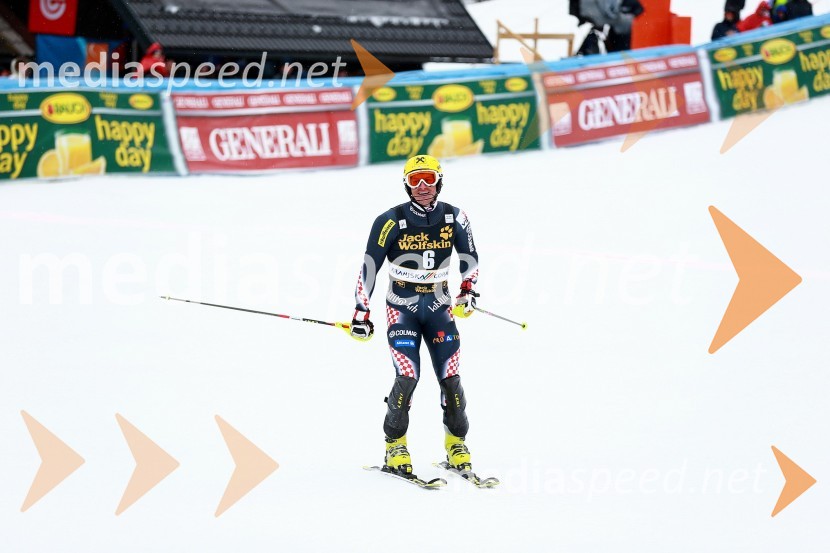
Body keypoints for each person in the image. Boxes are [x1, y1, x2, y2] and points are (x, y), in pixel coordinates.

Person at [350, 154, 479, 476]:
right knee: (407, 377)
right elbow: (369, 268)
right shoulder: (389, 220)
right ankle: (395, 448)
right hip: (401, 310)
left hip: (440, 310)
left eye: (429, 179)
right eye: (415, 180)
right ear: (406, 184)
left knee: (451, 380)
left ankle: (456, 445)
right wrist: (360, 312)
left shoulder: (455, 217)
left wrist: (468, 291)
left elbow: (470, 260)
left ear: (439, 181)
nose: (422, 187)